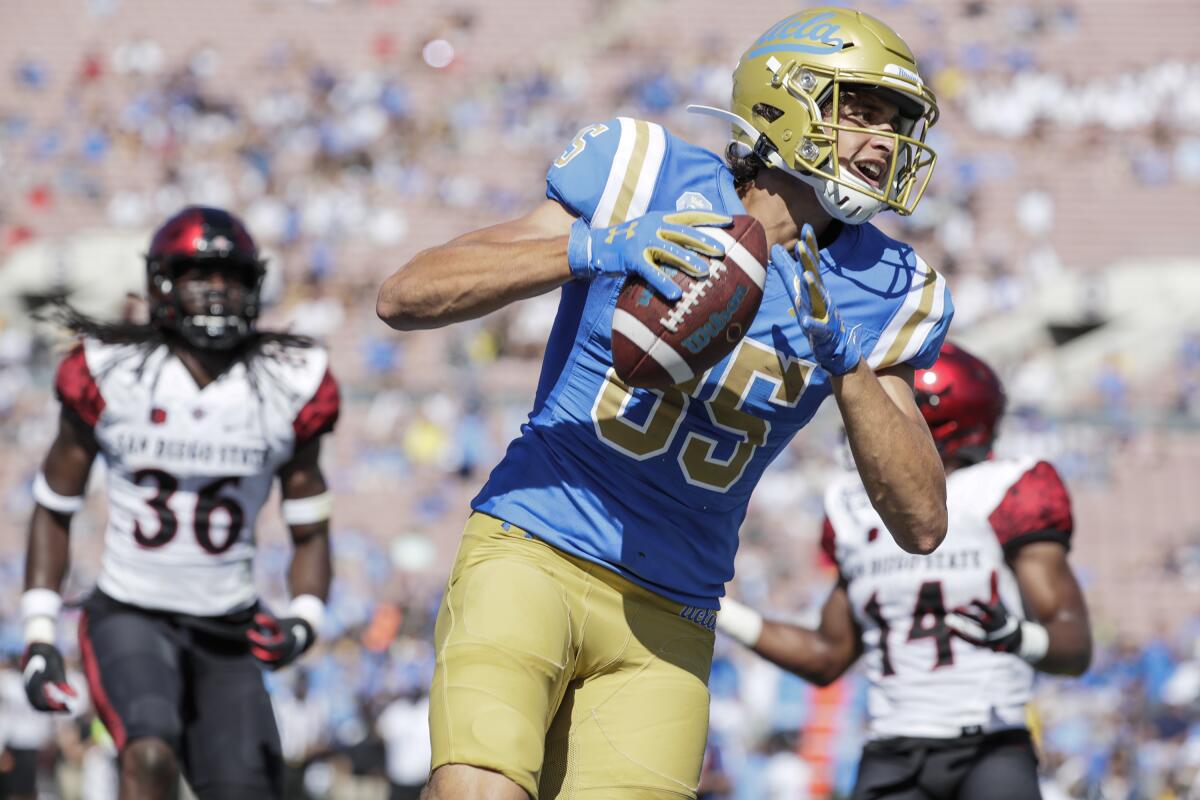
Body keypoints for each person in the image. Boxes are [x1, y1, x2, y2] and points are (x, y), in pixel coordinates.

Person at [377, 8, 954, 799]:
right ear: (786, 98)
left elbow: (922, 522)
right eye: (861, 111)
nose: (882, 142)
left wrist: (849, 367)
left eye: (894, 122)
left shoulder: (888, 290)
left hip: (671, 613)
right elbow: (405, 297)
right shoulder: (644, 173)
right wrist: (594, 247)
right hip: (535, 541)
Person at [20, 206, 340, 800]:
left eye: (230, 277)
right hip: (130, 612)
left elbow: (310, 526)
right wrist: (40, 632)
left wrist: (305, 619)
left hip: (230, 627)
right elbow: (53, 505)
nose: (217, 290)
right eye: (199, 274)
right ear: (161, 283)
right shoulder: (110, 369)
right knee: (148, 753)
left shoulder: (289, 380)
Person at [716, 343, 1093, 800]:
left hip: (991, 746)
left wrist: (1018, 637)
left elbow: (1074, 646)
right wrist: (717, 610)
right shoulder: (853, 507)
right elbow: (825, 655)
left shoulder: (1006, 491)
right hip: (891, 748)